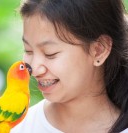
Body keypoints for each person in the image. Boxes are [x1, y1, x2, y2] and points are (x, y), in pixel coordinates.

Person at [10, 0, 128, 133]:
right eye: (28, 51)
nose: (34, 69)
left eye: (50, 53)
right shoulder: (17, 128)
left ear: (99, 50)